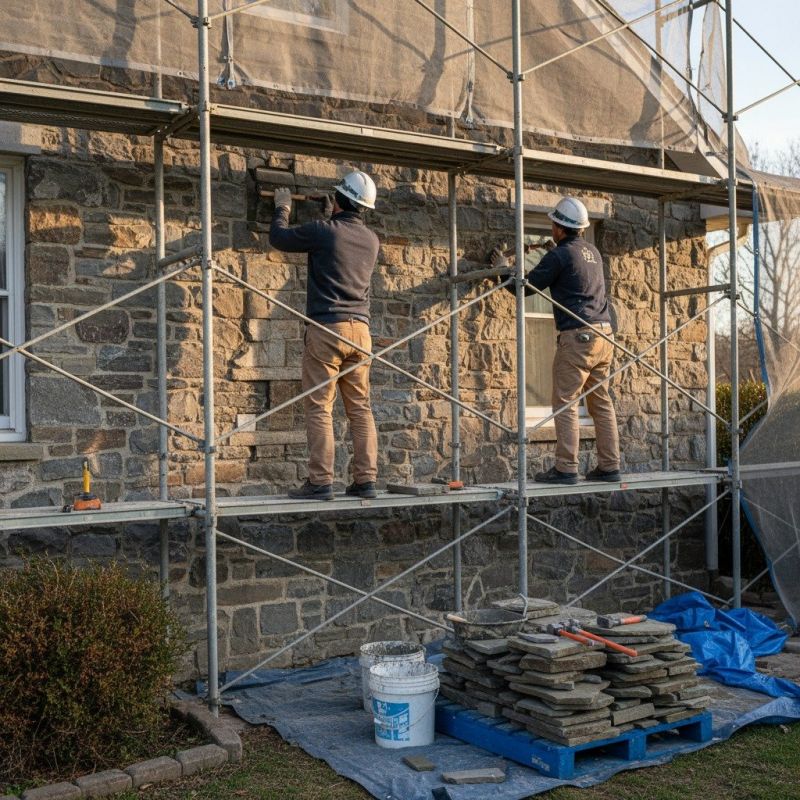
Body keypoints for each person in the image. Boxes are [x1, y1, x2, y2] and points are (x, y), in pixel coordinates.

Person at [493, 196, 621, 485]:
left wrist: (502, 268)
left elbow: (522, 288)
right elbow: (573, 273)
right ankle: (610, 466)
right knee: (600, 402)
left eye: (553, 224)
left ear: (559, 228)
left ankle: (566, 468)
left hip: (578, 337)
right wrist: (553, 255)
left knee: (565, 402)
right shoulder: (592, 252)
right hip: (604, 335)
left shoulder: (559, 256)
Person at [270, 170, 380, 500]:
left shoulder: (323, 232)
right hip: (360, 332)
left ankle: (320, 481)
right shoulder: (371, 240)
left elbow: (280, 238)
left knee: (320, 407)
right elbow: (340, 244)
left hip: (327, 329)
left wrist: (282, 208)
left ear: (341, 200)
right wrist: (330, 215)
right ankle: (366, 480)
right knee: (360, 408)